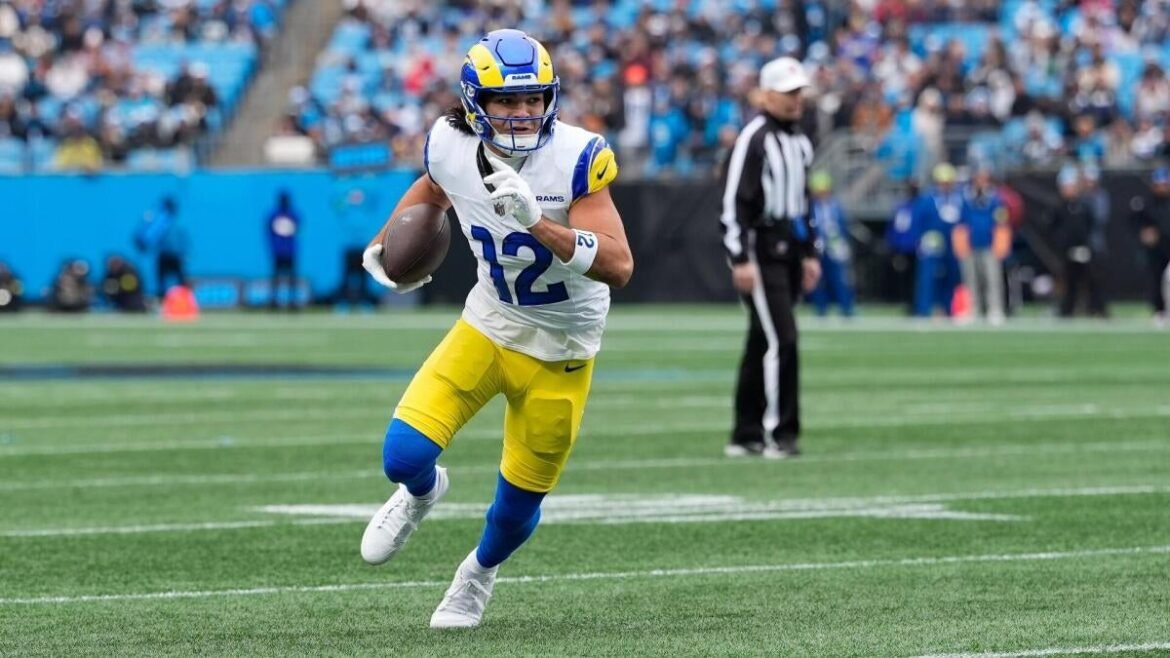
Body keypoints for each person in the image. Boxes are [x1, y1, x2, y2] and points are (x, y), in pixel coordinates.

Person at [357, 29, 632, 629]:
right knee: (403, 455)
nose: (523, 111)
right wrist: (386, 242)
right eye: (507, 100)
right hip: (489, 323)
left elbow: (619, 264)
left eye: (533, 98)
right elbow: (433, 187)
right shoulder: (449, 143)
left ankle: (477, 575)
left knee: (515, 505)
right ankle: (423, 492)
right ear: (474, 102)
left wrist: (539, 222)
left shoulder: (578, 156)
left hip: (562, 348)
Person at [718, 56, 821, 460]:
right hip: (760, 248)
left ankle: (745, 433)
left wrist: (810, 252)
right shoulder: (754, 139)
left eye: (799, 93)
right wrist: (740, 257)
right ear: (765, 95)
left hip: (789, 246)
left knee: (762, 337)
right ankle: (781, 432)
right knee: (783, 338)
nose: (797, 100)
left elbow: (804, 202)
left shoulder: (800, 141)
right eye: (788, 93)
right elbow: (733, 203)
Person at [953, 166, 1010, 324]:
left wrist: (1000, 245)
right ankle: (972, 309)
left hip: (990, 244)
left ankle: (995, 309)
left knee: (992, 279)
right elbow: (960, 224)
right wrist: (961, 245)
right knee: (970, 279)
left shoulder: (995, 199)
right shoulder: (965, 199)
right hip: (970, 244)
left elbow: (1001, 222)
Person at [1047, 167, 1107, 318]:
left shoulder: (1084, 206)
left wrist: (1085, 246)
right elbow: (1052, 229)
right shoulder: (1058, 207)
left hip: (1084, 249)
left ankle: (1096, 308)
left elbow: (1091, 225)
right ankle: (1067, 309)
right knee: (1068, 281)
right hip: (1066, 251)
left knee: (1092, 279)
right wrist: (1064, 246)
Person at [912, 163, 963, 319]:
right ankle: (924, 310)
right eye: (942, 183)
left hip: (952, 243)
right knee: (928, 277)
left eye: (948, 183)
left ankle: (948, 308)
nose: (945, 186)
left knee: (952, 276)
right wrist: (920, 241)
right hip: (932, 243)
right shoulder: (927, 200)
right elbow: (918, 221)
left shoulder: (959, 199)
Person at [807, 170, 855, 317]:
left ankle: (846, 308)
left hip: (834, 247)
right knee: (818, 278)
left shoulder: (835, 206)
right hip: (817, 246)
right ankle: (821, 308)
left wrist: (842, 243)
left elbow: (842, 226)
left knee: (839, 278)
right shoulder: (810, 208)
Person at [1129, 166, 1170, 327]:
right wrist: (1144, 232)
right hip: (1157, 249)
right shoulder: (1147, 203)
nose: (1162, 187)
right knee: (1157, 278)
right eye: (1160, 184)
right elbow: (1136, 222)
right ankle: (1159, 310)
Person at [133, 196, 189, 299]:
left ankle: (167, 299)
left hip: (166, 256)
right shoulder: (177, 221)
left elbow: (150, 237)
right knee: (178, 279)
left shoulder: (162, 220)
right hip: (175, 256)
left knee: (164, 281)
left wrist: (144, 226)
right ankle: (183, 299)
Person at [265, 189, 300, 311]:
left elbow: (297, 228)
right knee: (276, 278)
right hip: (279, 251)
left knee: (291, 278)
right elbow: (269, 230)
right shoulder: (274, 215)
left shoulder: (293, 214)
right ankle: (274, 301)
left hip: (289, 251)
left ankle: (292, 302)